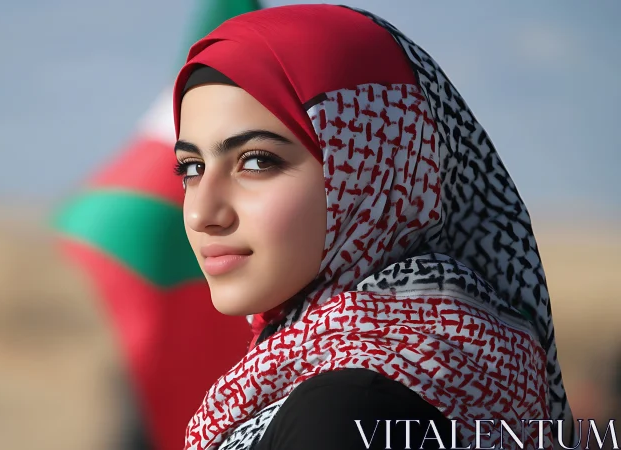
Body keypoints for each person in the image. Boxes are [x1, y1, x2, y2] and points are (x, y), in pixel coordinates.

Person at [170, 5, 574, 450]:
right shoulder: (464, 354)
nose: (200, 212)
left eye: (257, 161)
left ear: (374, 170)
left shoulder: (347, 411)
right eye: (191, 168)